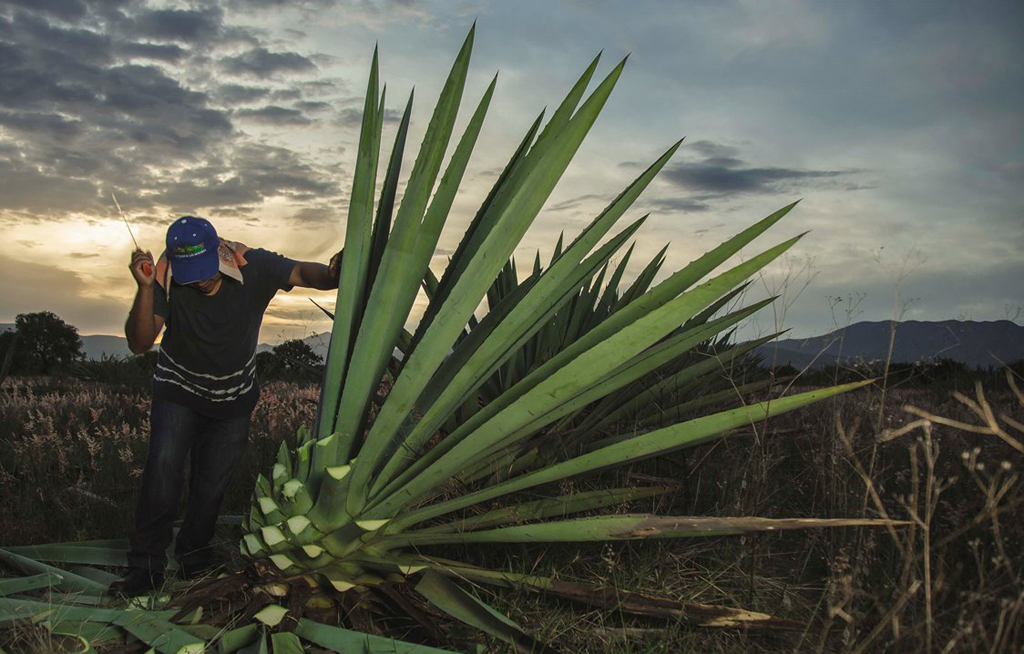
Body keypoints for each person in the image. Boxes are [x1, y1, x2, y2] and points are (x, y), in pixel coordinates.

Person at [110, 215, 341, 594]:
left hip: (233, 399)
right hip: (178, 390)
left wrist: (335, 274)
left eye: (205, 270)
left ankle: (193, 562)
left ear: (219, 251)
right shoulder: (168, 271)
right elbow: (140, 343)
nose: (200, 279)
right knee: (162, 474)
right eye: (192, 273)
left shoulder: (253, 265)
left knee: (211, 485)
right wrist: (147, 287)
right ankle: (145, 569)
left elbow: (301, 271)